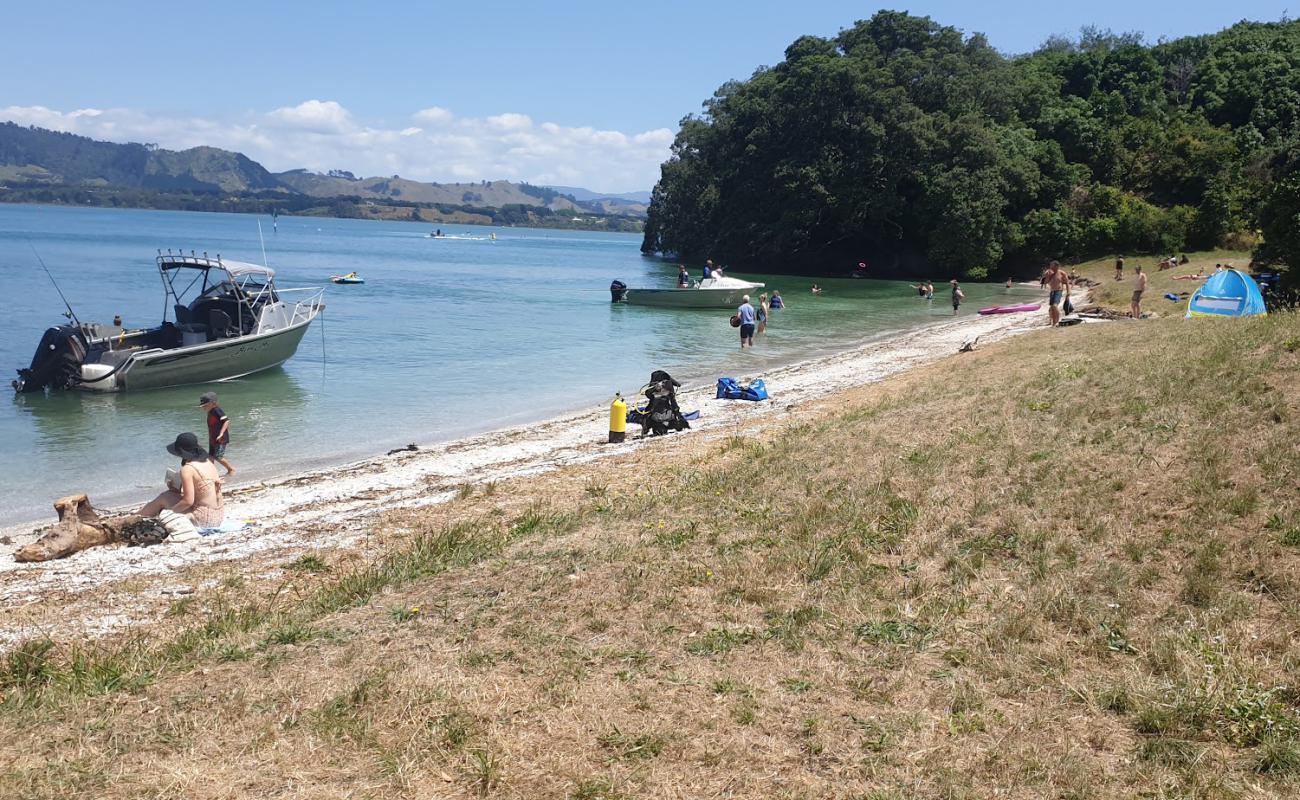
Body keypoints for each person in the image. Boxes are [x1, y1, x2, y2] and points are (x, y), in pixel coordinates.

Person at [139, 432, 225, 527]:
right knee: (171, 494)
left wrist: (168, 513)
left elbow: (188, 501)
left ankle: (137, 518)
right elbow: (202, 493)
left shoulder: (187, 469)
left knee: (164, 497)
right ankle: (140, 515)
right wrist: (175, 490)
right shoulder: (209, 462)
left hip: (203, 519)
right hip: (218, 516)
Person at [200, 391, 235, 477]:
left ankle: (231, 469)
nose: (203, 407)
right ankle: (212, 474)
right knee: (211, 456)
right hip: (213, 438)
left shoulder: (217, 410)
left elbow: (226, 421)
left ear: (213, 403)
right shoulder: (210, 411)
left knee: (218, 456)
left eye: (205, 405)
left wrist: (221, 433)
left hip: (221, 438)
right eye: (203, 406)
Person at [1041, 260, 1069, 326]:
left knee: (1054, 306)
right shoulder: (1049, 273)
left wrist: (1068, 292)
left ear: (1057, 266)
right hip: (1052, 291)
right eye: (1050, 266)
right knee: (1051, 308)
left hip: (1058, 291)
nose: (1051, 267)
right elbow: (1043, 282)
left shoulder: (1062, 273)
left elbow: (1067, 283)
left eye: (1052, 266)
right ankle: (1053, 321)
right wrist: (1047, 276)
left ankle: (1057, 321)